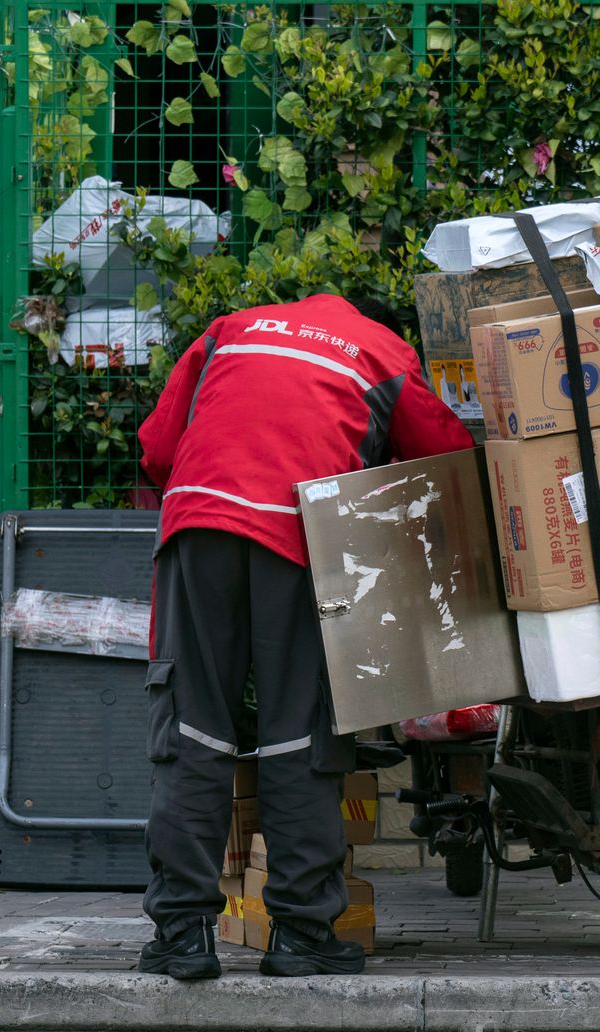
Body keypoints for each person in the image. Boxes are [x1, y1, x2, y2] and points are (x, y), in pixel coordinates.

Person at [134, 293, 473, 979]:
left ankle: (181, 938)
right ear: (376, 317)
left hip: (199, 524)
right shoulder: (383, 352)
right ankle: (301, 934)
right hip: (298, 535)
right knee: (299, 730)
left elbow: (156, 448)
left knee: (194, 726)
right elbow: (447, 462)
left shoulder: (231, 329)